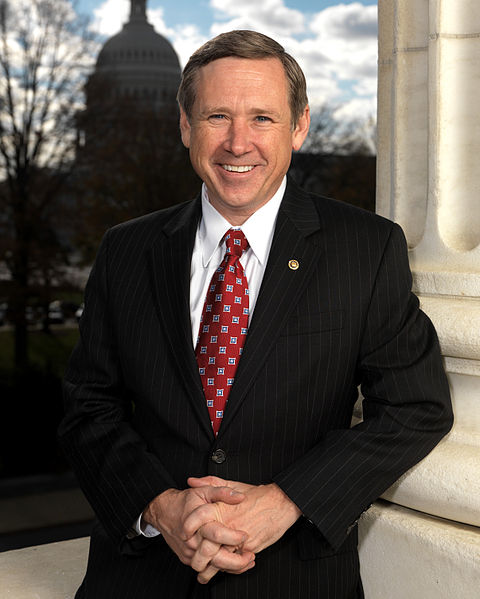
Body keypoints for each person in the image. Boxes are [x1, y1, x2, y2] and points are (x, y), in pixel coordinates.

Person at [58, 30, 453, 599]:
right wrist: (162, 506)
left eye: (263, 118)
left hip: (294, 577)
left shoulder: (365, 250)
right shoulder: (127, 250)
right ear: (185, 125)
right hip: (141, 578)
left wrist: (288, 499)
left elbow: (416, 407)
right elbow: (87, 407)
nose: (238, 144)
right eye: (217, 116)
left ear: (299, 126)